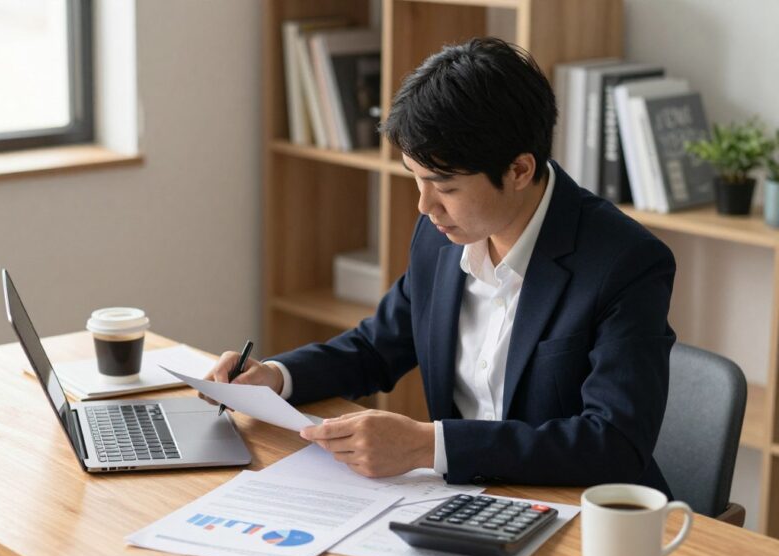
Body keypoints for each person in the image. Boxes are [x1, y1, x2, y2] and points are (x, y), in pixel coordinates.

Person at [205, 37, 676, 495]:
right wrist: (275, 377)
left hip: (578, 516)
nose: (424, 205)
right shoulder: (442, 235)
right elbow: (376, 346)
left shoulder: (625, 263)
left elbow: (613, 443)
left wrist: (430, 445)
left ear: (519, 171)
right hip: (464, 499)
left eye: (445, 186)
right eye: (416, 179)